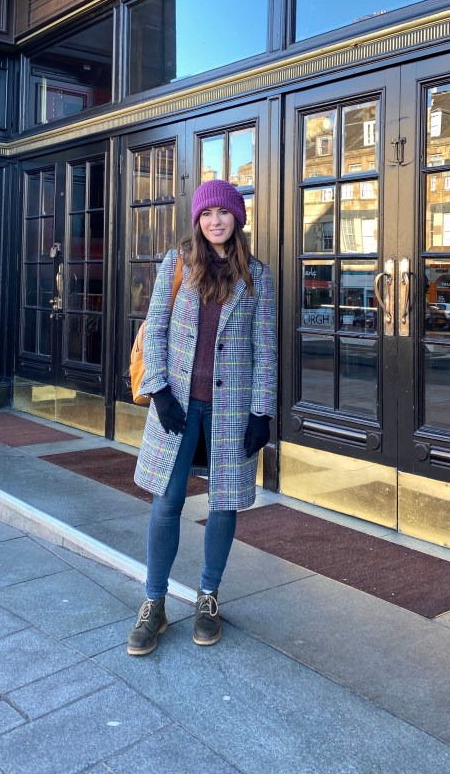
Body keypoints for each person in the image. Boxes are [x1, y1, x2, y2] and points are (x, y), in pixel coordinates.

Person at [127, 179, 277, 655]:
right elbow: (153, 330)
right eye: (208, 214)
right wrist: (159, 392)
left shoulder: (258, 276)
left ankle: (207, 597)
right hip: (178, 403)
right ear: (198, 220)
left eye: (225, 213)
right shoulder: (177, 263)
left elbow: (265, 349)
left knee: (224, 502)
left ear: (238, 220)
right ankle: (154, 604)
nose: (216, 221)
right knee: (167, 503)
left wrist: (262, 412)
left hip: (232, 408)